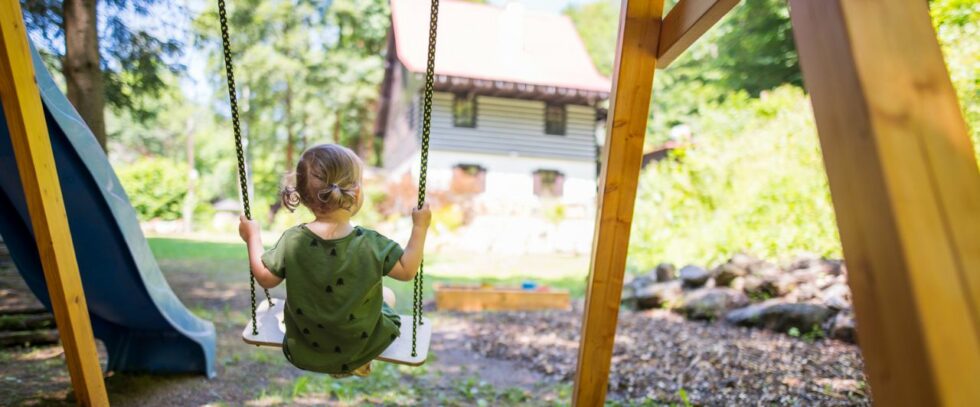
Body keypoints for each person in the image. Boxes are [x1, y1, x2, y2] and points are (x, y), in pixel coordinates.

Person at [238, 144, 430, 377]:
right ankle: (353, 361)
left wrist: (252, 237)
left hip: (306, 347)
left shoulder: (293, 241)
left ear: (304, 195)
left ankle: (340, 361)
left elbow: (265, 278)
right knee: (387, 295)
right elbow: (408, 270)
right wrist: (420, 227)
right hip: (360, 343)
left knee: (378, 297)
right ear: (356, 192)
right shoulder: (371, 243)